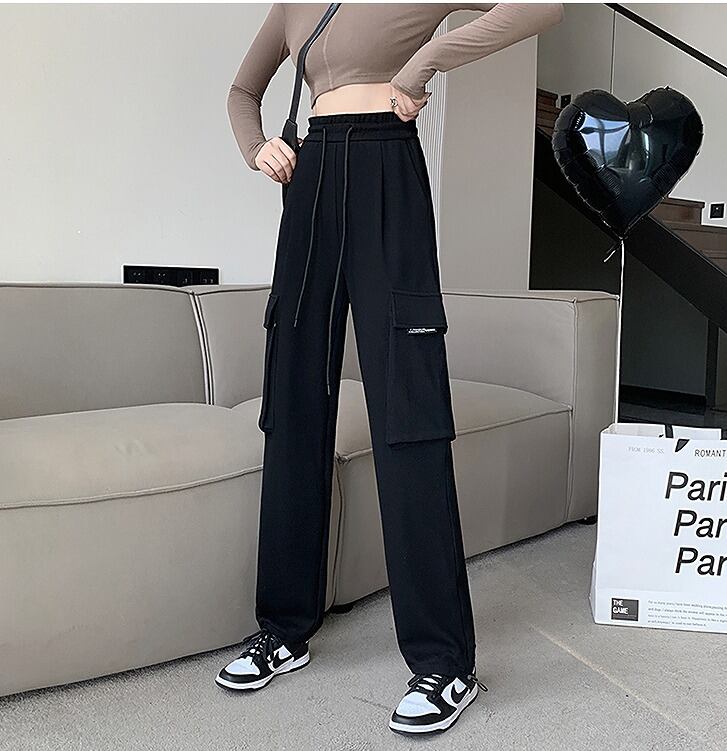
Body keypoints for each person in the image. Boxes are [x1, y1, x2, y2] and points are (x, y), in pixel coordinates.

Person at [216, 2, 564, 736]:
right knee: (293, 407)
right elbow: (243, 90)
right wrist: (256, 148)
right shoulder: (295, 5)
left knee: (407, 409)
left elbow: (543, 5)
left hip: (386, 163)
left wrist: (426, 62)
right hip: (310, 178)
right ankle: (282, 627)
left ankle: (444, 661)